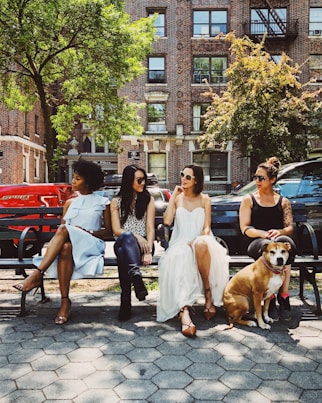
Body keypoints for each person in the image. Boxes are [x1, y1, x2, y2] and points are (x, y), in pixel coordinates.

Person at [13, 159, 112, 324]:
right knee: (65, 247)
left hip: (91, 244)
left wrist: (88, 232)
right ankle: (65, 302)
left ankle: (37, 274)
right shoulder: (70, 203)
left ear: (88, 182)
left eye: (78, 178)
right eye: (74, 177)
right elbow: (63, 234)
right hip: (71, 245)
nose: (73, 181)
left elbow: (108, 231)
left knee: (64, 229)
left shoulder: (103, 202)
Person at [157, 164, 230, 337]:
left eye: (188, 177)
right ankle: (184, 311)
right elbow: (167, 221)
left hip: (201, 239)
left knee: (201, 244)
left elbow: (206, 228)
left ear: (196, 180)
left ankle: (208, 293)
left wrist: (197, 239)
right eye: (182, 175)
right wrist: (174, 194)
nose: (183, 178)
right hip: (180, 241)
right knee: (182, 254)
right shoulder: (178, 198)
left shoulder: (205, 199)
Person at [239, 156, 296, 321]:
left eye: (261, 178)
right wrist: (262, 233)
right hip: (255, 240)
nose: (257, 180)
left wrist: (280, 231)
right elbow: (245, 228)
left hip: (278, 241)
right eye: (255, 177)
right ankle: (269, 298)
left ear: (272, 180)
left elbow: (289, 228)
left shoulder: (283, 202)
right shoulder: (248, 200)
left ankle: (283, 296)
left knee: (289, 246)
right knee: (266, 246)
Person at [110, 165, 155, 321]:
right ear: (129, 181)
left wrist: (148, 249)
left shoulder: (148, 199)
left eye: (144, 180)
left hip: (143, 247)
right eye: (139, 180)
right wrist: (136, 236)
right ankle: (135, 274)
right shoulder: (116, 201)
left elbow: (150, 227)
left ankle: (125, 301)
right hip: (124, 241)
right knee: (126, 239)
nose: (143, 183)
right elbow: (116, 230)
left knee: (123, 255)